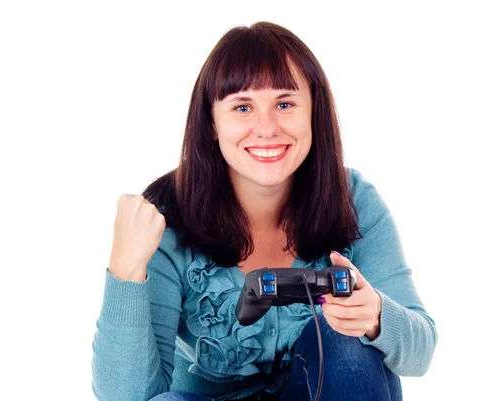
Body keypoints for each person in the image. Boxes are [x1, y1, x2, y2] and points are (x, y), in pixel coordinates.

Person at [91, 21, 437, 401]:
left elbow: (421, 351)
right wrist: (125, 269)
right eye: (242, 107)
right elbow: (128, 397)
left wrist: (376, 316)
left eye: (285, 104)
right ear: (211, 122)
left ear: (313, 113)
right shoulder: (165, 216)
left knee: (348, 344)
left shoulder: (353, 198)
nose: (266, 128)